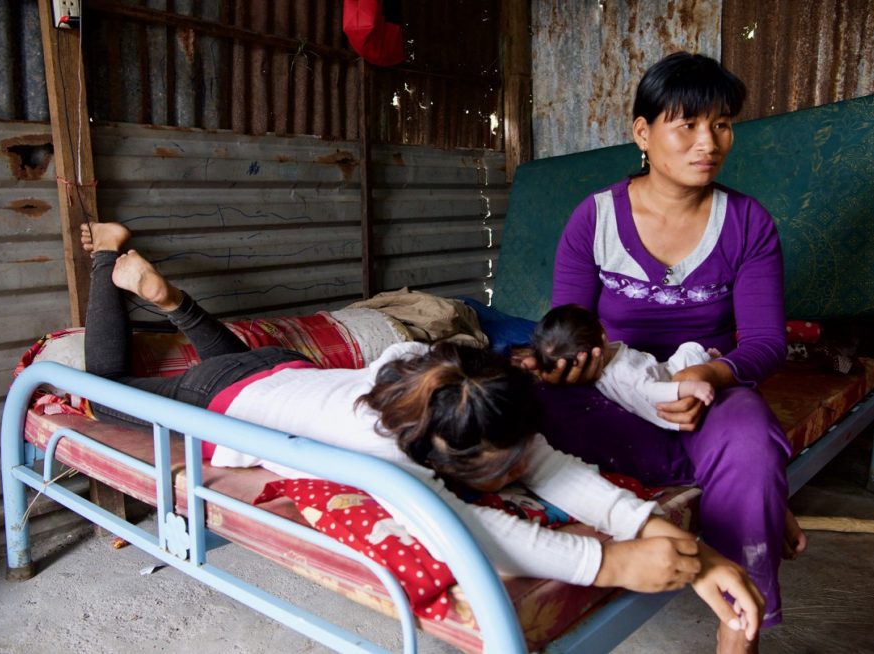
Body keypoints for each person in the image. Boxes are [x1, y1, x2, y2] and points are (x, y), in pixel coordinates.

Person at [80, 221, 764, 642]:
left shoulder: (455, 381)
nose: (518, 476)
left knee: (235, 366)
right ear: (438, 458)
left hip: (279, 374)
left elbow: (544, 462)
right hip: (226, 394)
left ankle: (172, 301)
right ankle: (111, 265)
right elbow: (472, 531)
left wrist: (640, 521)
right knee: (103, 395)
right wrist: (608, 560)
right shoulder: (386, 449)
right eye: (498, 472)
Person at [526, 52, 807, 653]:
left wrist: (710, 372)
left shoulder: (748, 223)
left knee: (749, 435)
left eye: (723, 123)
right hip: (613, 397)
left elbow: (763, 342)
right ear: (643, 133)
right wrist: (574, 364)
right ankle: (754, 490)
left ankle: (739, 628)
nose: (709, 142)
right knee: (520, 407)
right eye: (687, 125)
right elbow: (568, 325)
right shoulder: (594, 220)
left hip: (706, 393)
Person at [531, 303, 717, 430]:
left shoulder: (606, 361)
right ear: (603, 333)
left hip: (657, 372)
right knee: (689, 349)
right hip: (667, 391)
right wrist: (690, 387)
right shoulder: (623, 369)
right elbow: (650, 390)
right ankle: (710, 358)